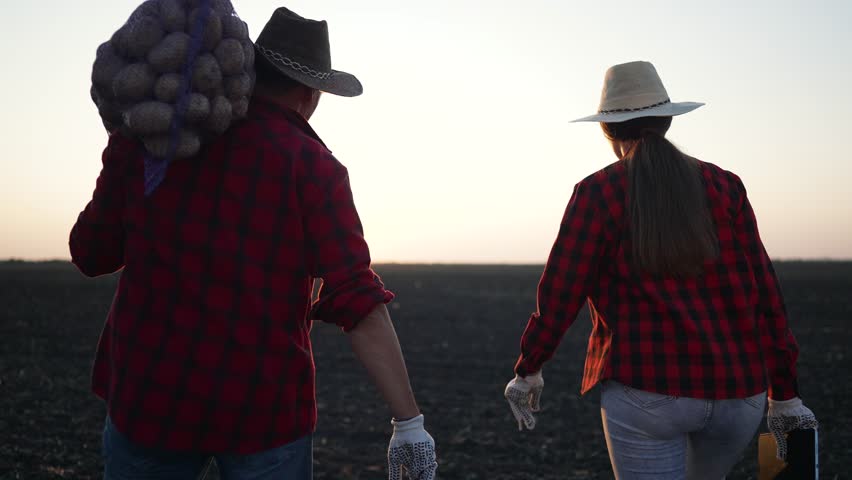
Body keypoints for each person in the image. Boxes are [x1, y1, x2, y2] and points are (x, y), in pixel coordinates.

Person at [70, 7, 437, 480]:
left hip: (149, 400)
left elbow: (90, 254)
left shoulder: (153, 138)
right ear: (312, 94)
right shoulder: (313, 167)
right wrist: (409, 423)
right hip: (264, 414)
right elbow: (357, 299)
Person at [503, 61, 818, 479]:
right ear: (667, 121)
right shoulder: (726, 186)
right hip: (739, 393)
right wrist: (786, 394)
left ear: (607, 130)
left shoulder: (598, 193)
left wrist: (528, 368)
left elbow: (561, 294)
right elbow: (765, 294)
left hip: (646, 391)